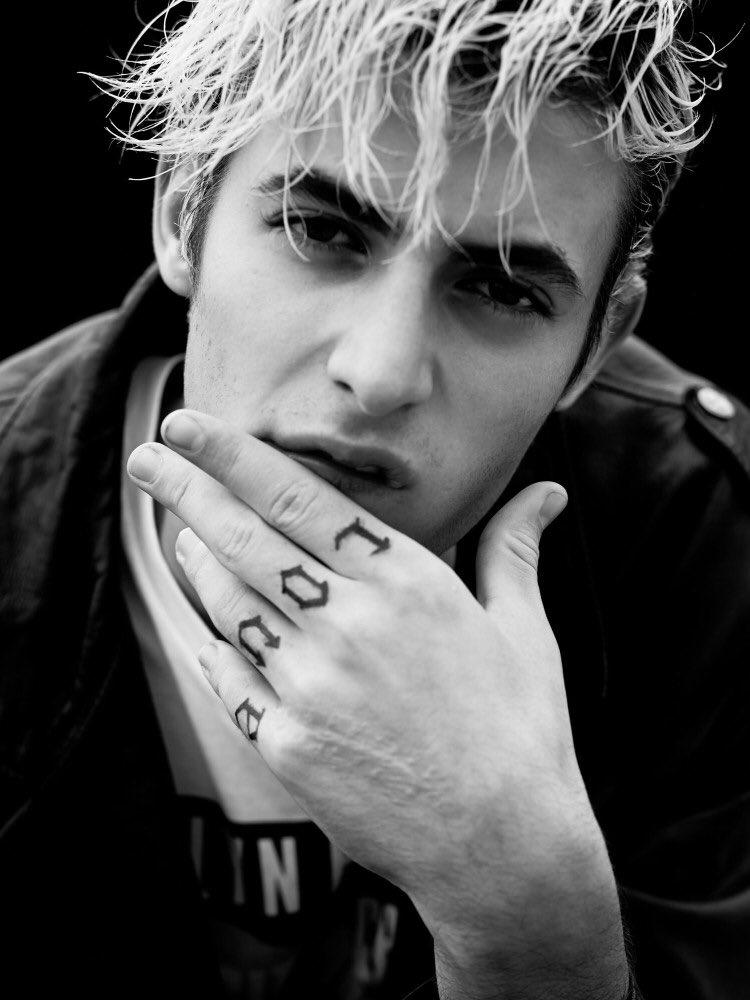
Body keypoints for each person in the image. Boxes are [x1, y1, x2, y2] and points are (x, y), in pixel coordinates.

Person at [1, 1, 748, 998]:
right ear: (183, 214)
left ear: (595, 346)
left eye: (502, 289)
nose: (382, 371)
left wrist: (525, 910)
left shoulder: (698, 537)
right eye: (322, 230)